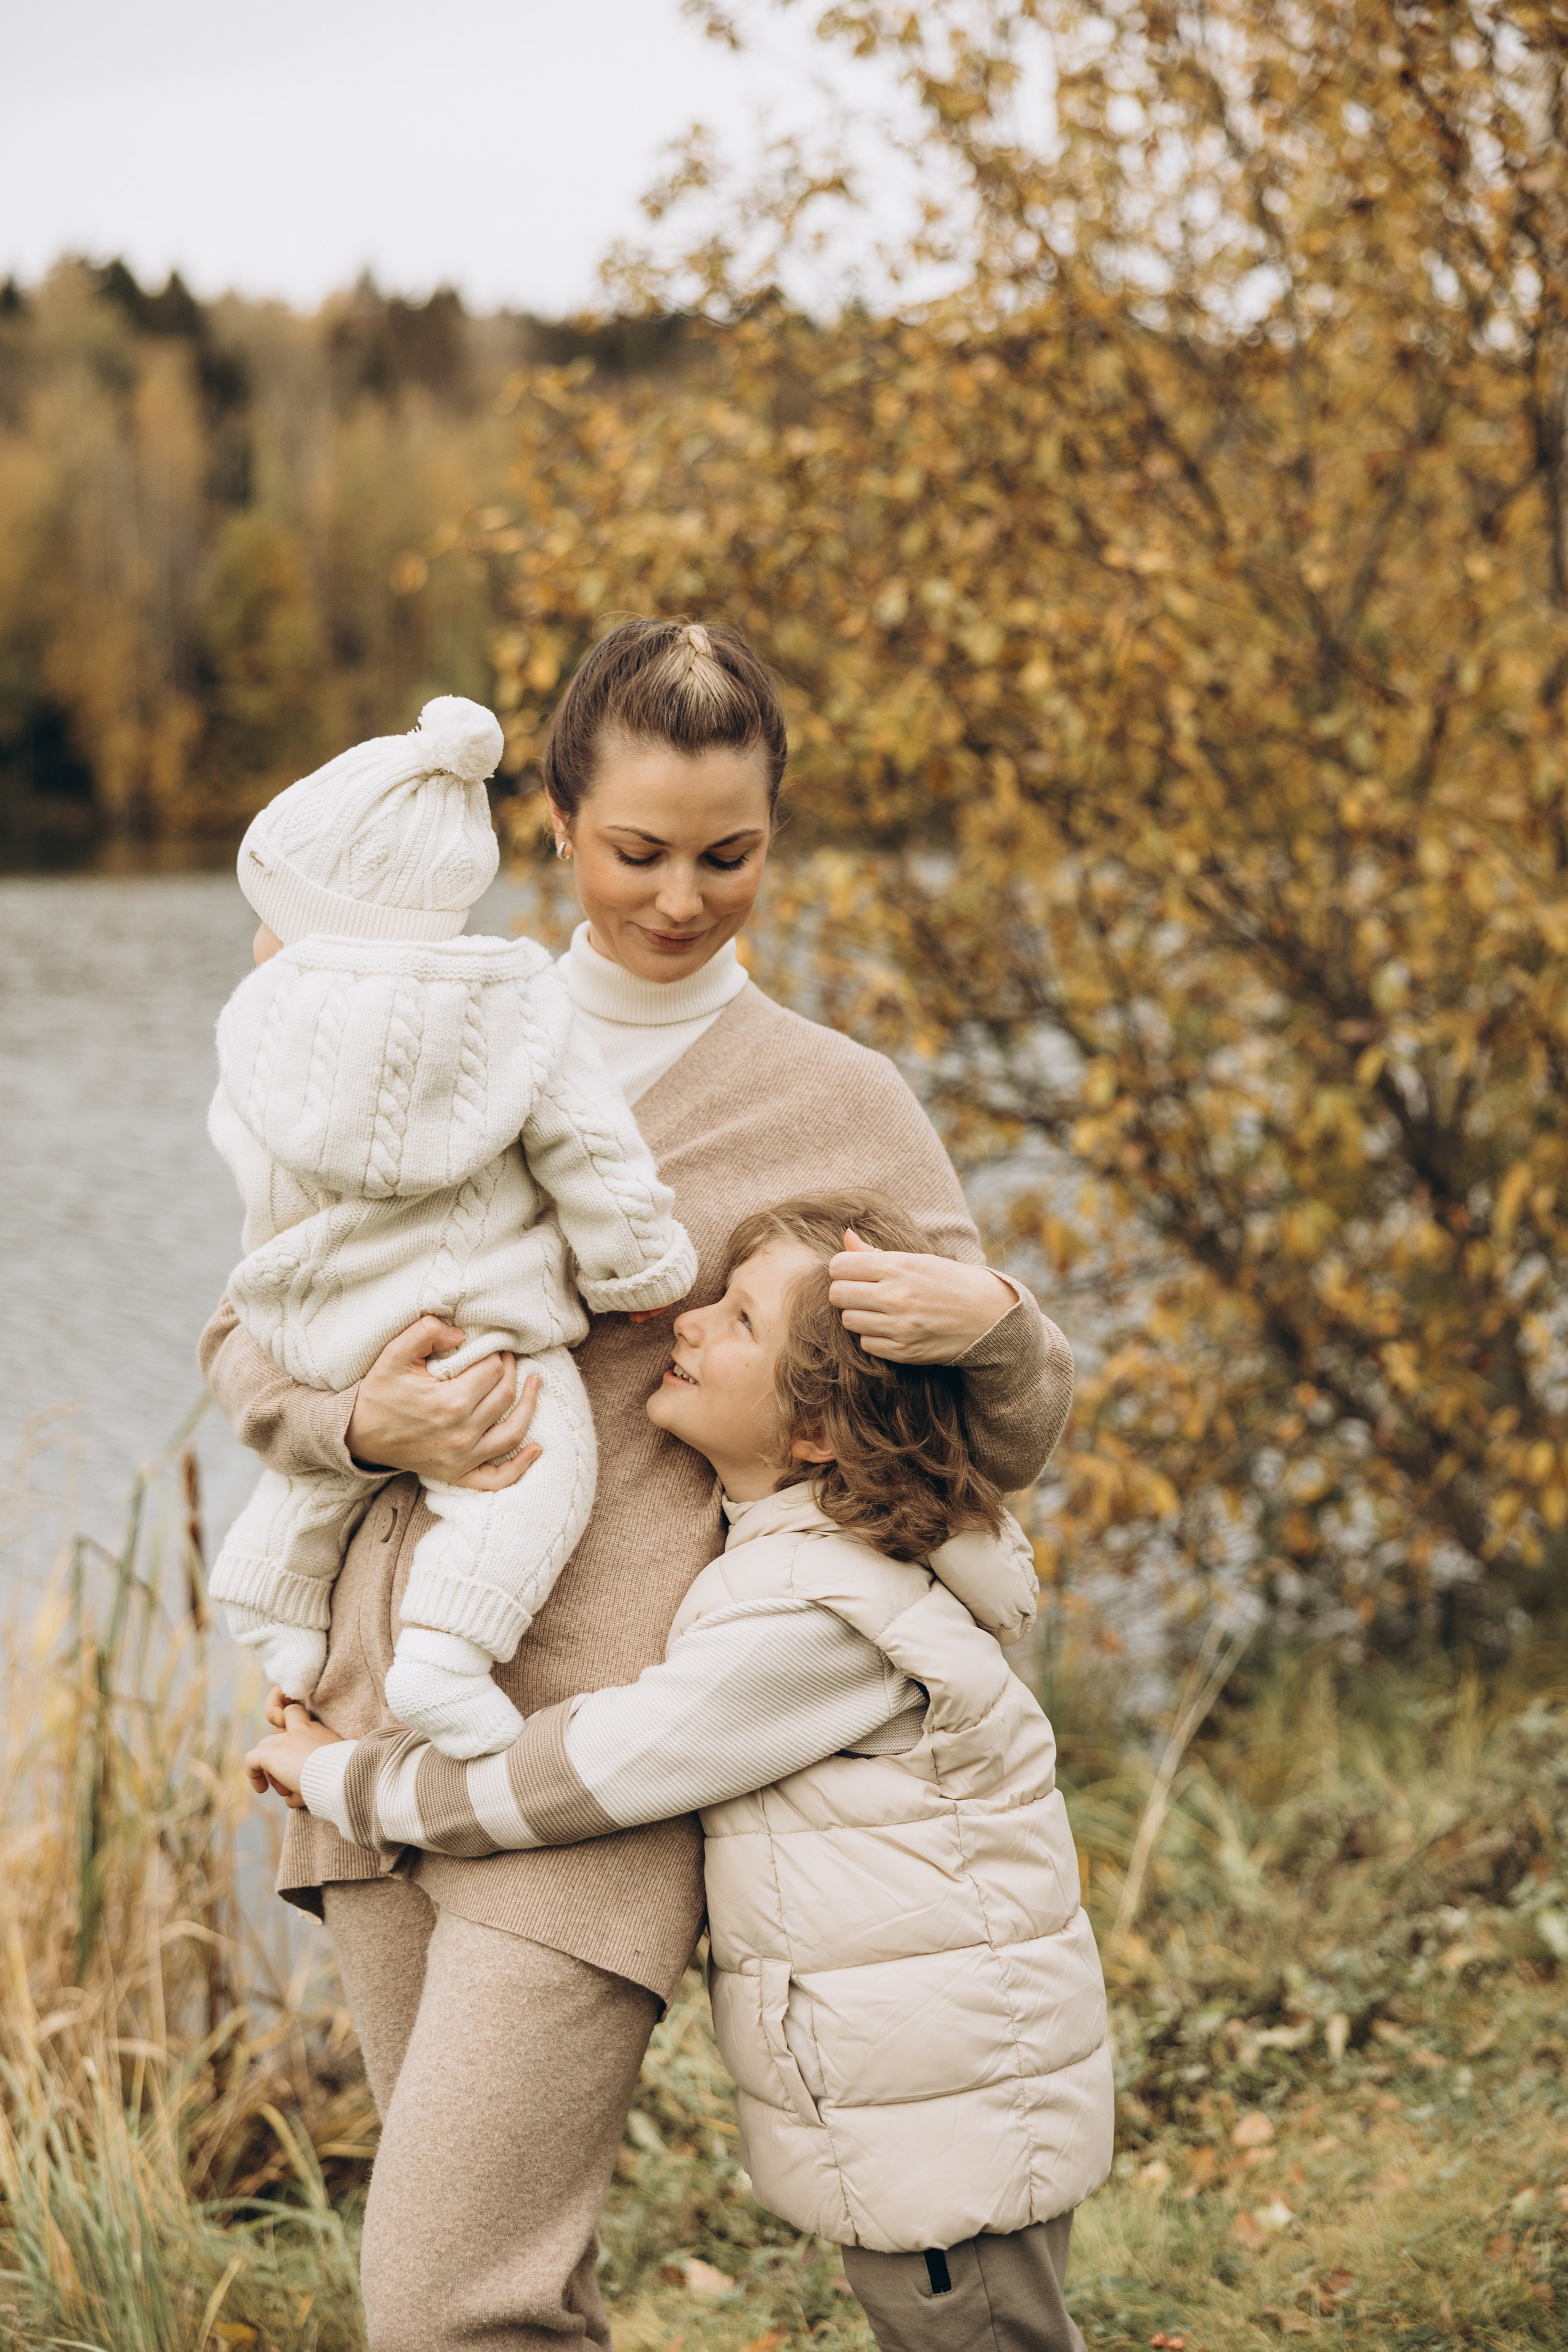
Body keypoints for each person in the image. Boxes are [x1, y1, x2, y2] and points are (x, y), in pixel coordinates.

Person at [202, 616, 1078, 2352]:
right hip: (368, 1730)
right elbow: (245, 1352)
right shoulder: (412, 1033)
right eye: (638, 853)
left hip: (604, 1767)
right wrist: (370, 1427)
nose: (682, 898)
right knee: (505, 2291)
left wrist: (1001, 1329)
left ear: (776, 834)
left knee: (450, 2300)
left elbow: (971, 1449)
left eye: (730, 855)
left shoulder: (844, 1105)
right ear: (556, 827)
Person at [249, 1194, 1113, 2352]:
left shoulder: (817, 1618)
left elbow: (585, 1770)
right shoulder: (821, 1562)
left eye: (738, 1319)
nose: (687, 1323)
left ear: (815, 1433)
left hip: (947, 2103)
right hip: (934, 2081)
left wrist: (344, 1780)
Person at [208, 692, 695, 1757]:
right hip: (475, 1324)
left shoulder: (258, 1016)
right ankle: (447, 1650)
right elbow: (589, 1151)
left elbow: (247, 1159)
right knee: (536, 1460)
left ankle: (268, 1581)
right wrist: (640, 1269)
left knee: (321, 1451)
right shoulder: (516, 1000)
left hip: (303, 1312)